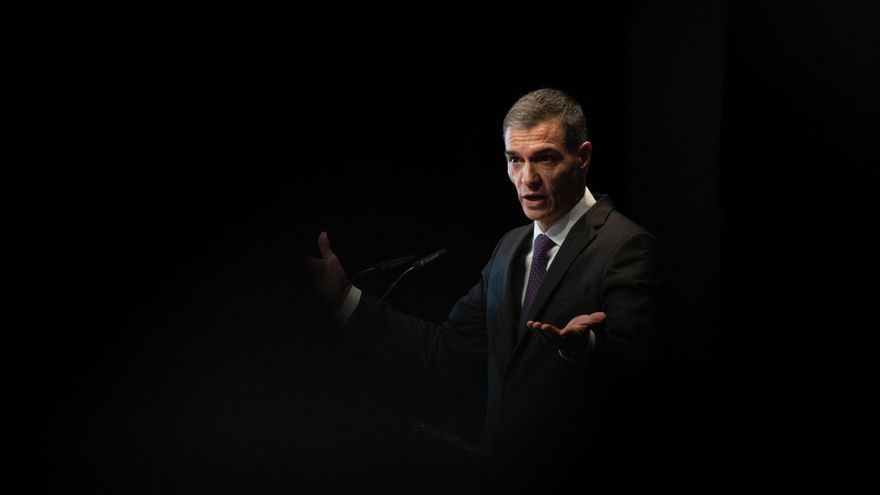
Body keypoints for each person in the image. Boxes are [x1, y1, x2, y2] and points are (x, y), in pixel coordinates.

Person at [305, 88, 660, 486]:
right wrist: (342, 299)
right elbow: (446, 351)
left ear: (583, 158)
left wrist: (585, 350)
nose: (528, 179)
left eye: (544, 158)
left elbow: (641, 377)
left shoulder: (625, 244)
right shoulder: (509, 248)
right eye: (515, 160)